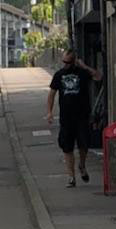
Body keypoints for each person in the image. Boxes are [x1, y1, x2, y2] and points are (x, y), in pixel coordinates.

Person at [45, 50, 102, 188]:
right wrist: (49, 112)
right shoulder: (59, 75)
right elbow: (52, 94)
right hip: (66, 117)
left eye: (68, 62)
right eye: (64, 62)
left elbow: (98, 77)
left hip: (82, 116)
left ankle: (82, 165)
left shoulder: (82, 73)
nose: (65, 65)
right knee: (67, 146)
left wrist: (84, 66)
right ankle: (71, 177)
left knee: (84, 144)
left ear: (74, 61)